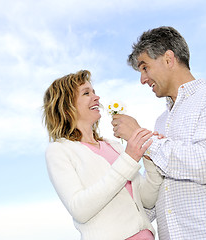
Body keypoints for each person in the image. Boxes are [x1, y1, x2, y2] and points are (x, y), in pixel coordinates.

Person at [111, 26, 206, 240]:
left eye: (145, 68)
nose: (142, 79)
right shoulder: (160, 122)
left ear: (169, 59)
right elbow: (157, 197)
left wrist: (143, 138)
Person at [42, 70, 163, 240]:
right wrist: (129, 159)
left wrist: (149, 160)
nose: (96, 97)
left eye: (94, 92)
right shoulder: (59, 150)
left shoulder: (114, 146)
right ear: (67, 107)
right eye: (86, 93)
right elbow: (79, 210)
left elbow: (147, 200)